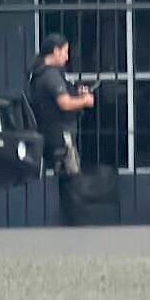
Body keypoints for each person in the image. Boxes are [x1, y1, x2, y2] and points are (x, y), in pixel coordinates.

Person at [26, 33, 95, 225]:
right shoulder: (50, 75)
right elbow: (64, 103)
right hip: (61, 134)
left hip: (52, 133)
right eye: (65, 52)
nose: (67, 57)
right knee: (72, 181)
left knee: (68, 182)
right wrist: (85, 100)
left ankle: (72, 223)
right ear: (55, 51)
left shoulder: (39, 73)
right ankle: (77, 224)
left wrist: (77, 93)